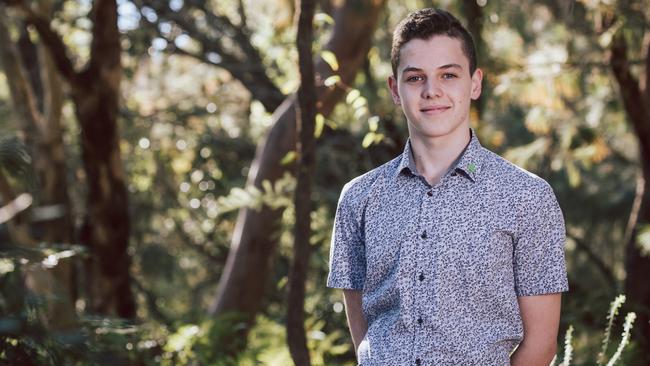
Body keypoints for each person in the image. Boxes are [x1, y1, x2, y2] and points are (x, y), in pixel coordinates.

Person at [326, 8, 569, 366]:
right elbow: (363, 332)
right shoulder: (359, 198)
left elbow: (541, 345)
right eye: (415, 78)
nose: (431, 91)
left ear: (475, 83)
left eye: (449, 75)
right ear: (395, 89)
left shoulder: (527, 197)